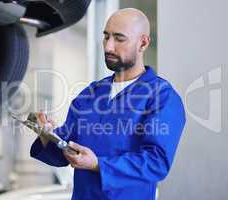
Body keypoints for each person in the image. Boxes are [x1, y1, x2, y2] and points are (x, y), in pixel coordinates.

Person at [30, 8, 186, 200]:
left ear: (143, 43)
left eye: (119, 39)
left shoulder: (161, 96)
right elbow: (65, 151)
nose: (108, 47)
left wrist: (98, 165)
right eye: (106, 37)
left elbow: (156, 163)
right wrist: (47, 136)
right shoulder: (91, 94)